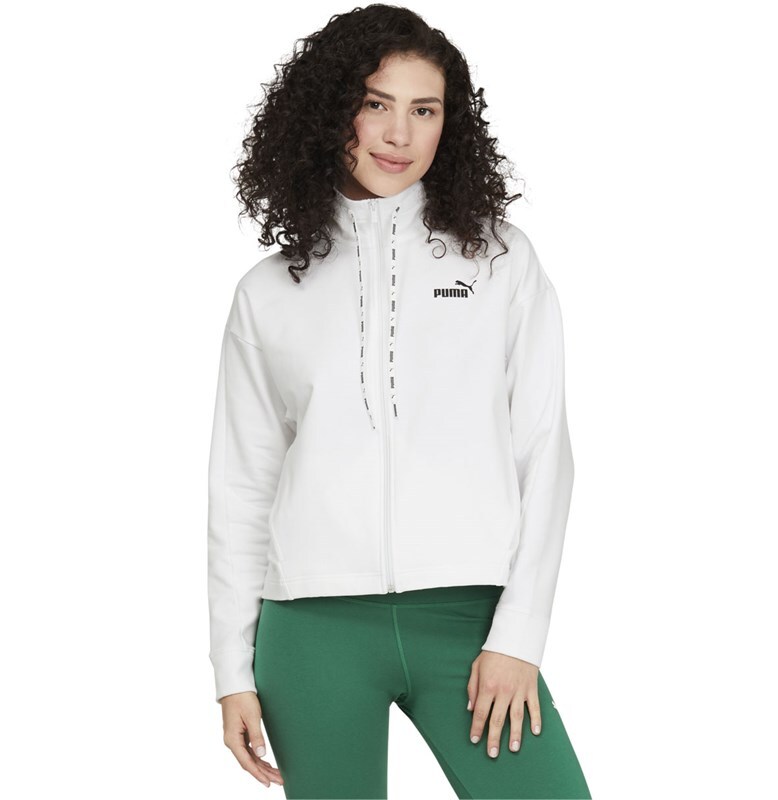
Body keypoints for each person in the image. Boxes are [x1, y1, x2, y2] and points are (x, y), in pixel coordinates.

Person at [207, 5, 591, 798]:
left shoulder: (499, 262)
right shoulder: (269, 291)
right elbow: (242, 484)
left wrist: (519, 635)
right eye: (375, 103)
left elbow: (544, 451)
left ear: (450, 124)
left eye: (425, 110)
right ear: (330, 110)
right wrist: (231, 669)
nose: (398, 134)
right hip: (310, 630)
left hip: (468, 622)